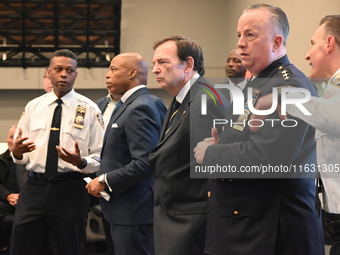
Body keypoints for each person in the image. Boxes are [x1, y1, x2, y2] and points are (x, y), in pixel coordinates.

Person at [193, 4, 324, 255]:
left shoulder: (290, 88)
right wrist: (221, 144)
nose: (241, 43)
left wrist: (211, 155)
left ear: (276, 42)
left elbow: (267, 158)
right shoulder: (257, 82)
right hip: (244, 224)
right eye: (239, 35)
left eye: (250, 35)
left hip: (270, 232)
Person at [250, 15, 340, 255]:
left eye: (313, 43)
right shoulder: (330, 90)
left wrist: (284, 98)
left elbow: (335, 117)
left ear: (329, 43)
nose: (307, 55)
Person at [10, 49, 104, 255]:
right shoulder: (33, 107)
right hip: (34, 188)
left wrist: (81, 162)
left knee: (69, 248)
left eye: (70, 70)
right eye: (58, 69)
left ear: (76, 75)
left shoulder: (89, 109)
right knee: (22, 247)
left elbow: (99, 156)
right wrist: (16, 153)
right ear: (48, 72)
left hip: (69, 190)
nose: (64, 74)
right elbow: (21, 156)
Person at [148, 35, 228, 255]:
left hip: (191, 222)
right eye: (154, 63)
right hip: (173, 217)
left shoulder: (204, 100)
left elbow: (209, 168)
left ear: (189, 64)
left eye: (162, 62)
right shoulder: (182, 98)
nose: (155, 69)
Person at [86, 52, 165, 255]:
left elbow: (146, 162)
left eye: (113, 69)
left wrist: (104, 180)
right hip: (120, 208)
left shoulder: (141, 107)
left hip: (133, 210)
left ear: (132, 73)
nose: (107, 75)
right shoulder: (127, 105)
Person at [0, 125, 27, 253]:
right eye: (12, 137)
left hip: (28, 203)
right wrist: (8, 195)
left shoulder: (34, 163)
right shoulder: (1, 160)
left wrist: (23, 198)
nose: (14, 141)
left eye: (18, 138)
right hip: (6, 204)